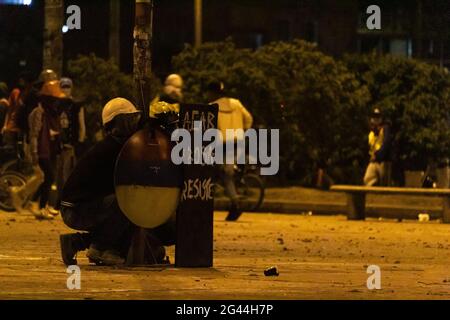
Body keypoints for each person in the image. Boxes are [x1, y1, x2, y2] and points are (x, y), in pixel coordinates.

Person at [59, 98, 142, 266]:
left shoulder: (116, 145)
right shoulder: (114, 148)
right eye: (130, 118)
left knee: (126, 209)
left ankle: (78, 242)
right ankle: (100, 247)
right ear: (119, 123)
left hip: (80, 206)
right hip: (76, 210)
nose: (134, 122)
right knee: (127, 203)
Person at [206, 81, 253, 221]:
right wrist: (243, 131)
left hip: (223, 144)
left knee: (219, 173)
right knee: (225, 173)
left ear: (212, 93)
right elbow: (249, 119)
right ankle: (234, 201)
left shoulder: (211, 107)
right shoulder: (236, 103)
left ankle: (235, 203)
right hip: (238, 142)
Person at [28, 80, 65, 220]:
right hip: (41, 151)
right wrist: (34, 153)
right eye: (53, 99)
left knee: (48, 178)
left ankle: (37, 204)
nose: (55, 102)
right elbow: (34, 134)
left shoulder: (49, 113)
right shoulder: (39, 113)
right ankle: (40, 206)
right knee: (49, 177)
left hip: (48, 150)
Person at [54, 77, 86, 209]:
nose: (65, 89)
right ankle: (59, 200)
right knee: (58, 174)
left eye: (67, 87)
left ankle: (65, 202)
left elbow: (81, 124)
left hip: (70, 145)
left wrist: (80, 140)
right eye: (63, 86)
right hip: (57, 145)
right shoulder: (56, 104)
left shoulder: (76, 104)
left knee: (66, 174)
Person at [363, 108, 393, 186]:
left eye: (378, 117)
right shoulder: (371, 133)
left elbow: (386, 143)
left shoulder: (385, 129)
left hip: (383, 161)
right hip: (373, 161)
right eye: (374, 117)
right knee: (367, 179)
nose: (375, 119)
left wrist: (377, 155)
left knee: (384, 183)